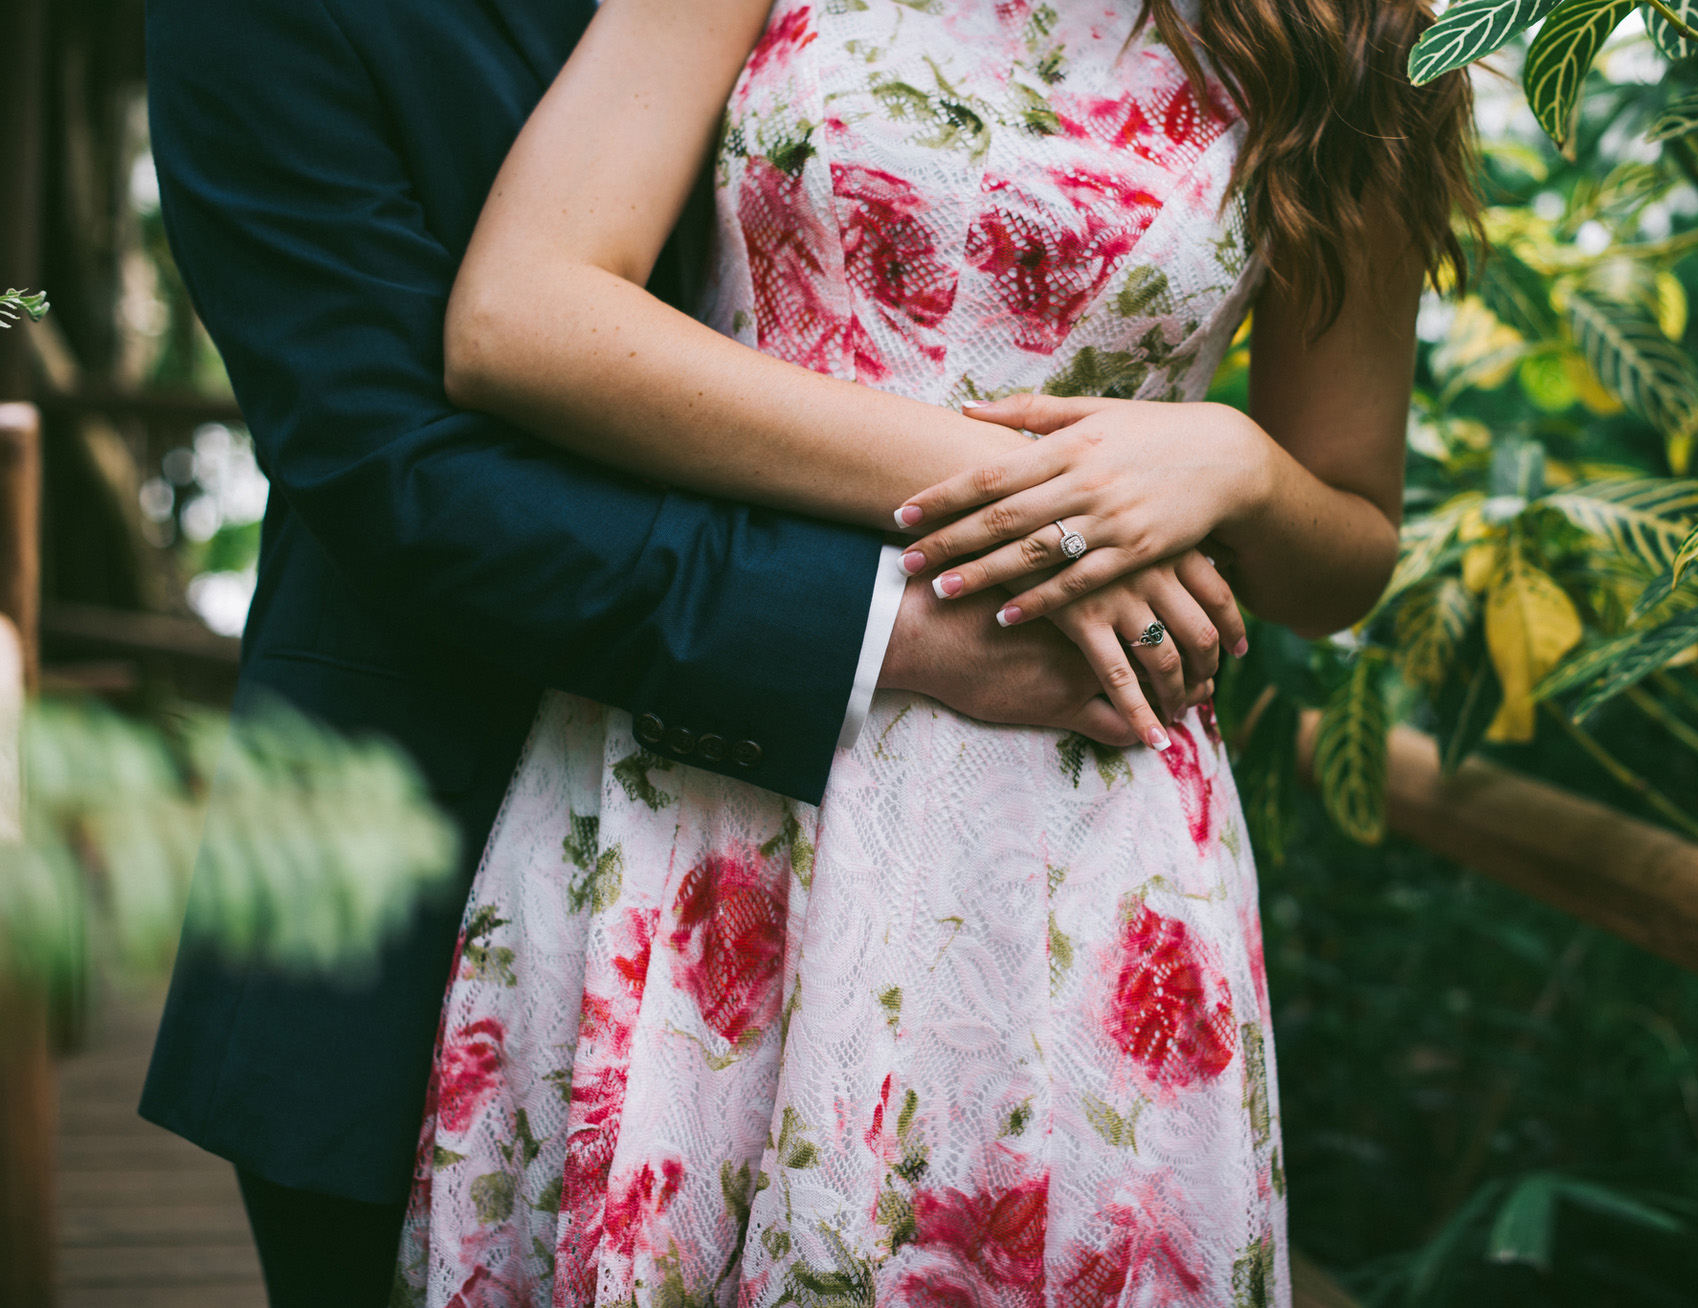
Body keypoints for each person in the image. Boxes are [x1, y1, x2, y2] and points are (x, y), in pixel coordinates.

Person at [396, 1, 1474, 1304]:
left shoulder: (1355, 32)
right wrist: (1031, 483)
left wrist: (1238, 465)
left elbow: (1346, 546)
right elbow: (524, 314)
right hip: (722, 769)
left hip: (1068, 840)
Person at [136, 0, 1165, 1304]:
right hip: (418, 870)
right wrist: (880, 626)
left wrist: (1211, 463)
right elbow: (394, 468)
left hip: (922, 890)